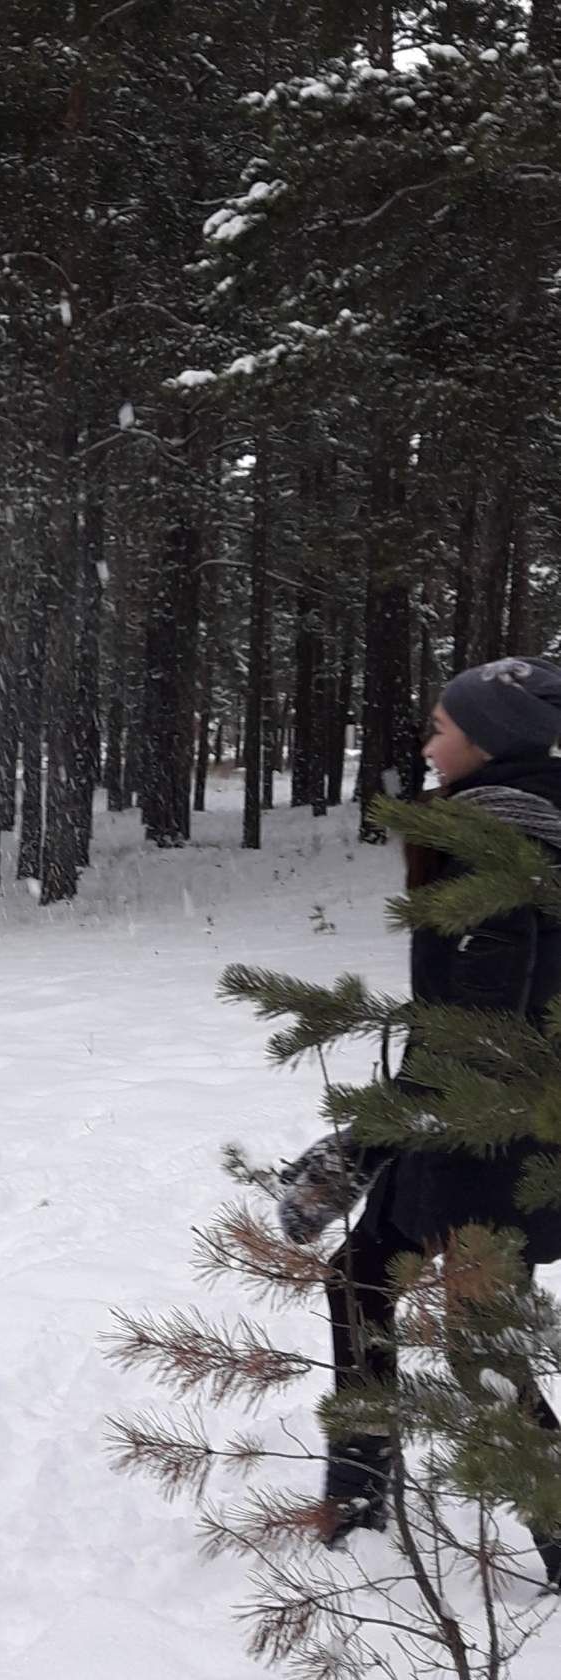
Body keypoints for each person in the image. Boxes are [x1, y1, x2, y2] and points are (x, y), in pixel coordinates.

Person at [321, 656, 561, 1580]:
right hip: (483, 1132)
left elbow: (476, 1033)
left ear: (489, 740)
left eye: (441, 728)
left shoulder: (497, 843)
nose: (427, 743)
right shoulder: (531, 826)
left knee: (482, 1354)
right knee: (359, 1278)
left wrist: (354, 1152)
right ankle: (358, 1500)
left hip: (486, 1141)